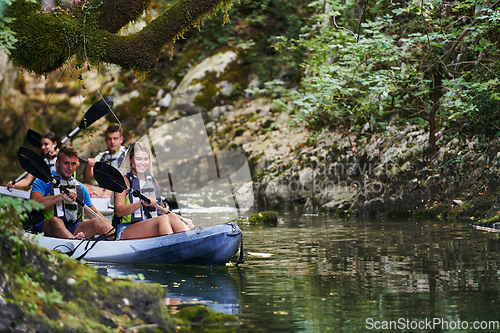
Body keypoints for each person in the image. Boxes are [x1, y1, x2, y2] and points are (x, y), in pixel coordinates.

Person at [113, 142, 193, 240]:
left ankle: (189, 241)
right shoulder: (124, 181)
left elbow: (163, 210)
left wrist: (181, 219)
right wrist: (141, 203)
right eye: (138, 159)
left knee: (171, 217)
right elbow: (119, 212)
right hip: (126, 230)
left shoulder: (153, 181)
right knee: (163, 220)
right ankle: (173, 247)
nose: (143, 163)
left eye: (146, 159)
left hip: (151, 226)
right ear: (131, 160)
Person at [30, 146, 112, 239]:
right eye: (66, 163)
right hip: (48, 227)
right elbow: (33, 204)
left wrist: (109, 227)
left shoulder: (81, 187)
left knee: (100, 223)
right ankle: (74, 242)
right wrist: (60, 197)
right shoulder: (43, 181)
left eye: (73, 164)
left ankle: (117, 242)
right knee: (56, 221)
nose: (70, 168)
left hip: (74, 228)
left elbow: (95, 214)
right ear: (57, 163)